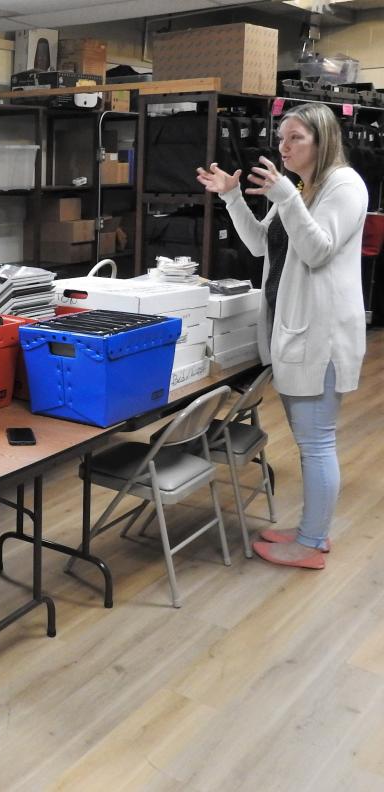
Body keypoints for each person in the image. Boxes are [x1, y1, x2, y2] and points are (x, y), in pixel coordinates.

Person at [197, 102, 368, 571]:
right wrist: (233, 197)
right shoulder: (302, 187)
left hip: (323, 337)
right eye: (282, 137)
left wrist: (287, 199)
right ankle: (312, 530)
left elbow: (317, 251)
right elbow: (259, 246)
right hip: (292, 332)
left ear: (322, 140)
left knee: (316, 443)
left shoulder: (344, 186)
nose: (283, 146)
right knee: (309, 439)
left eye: (296, 138)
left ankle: (310, 543)